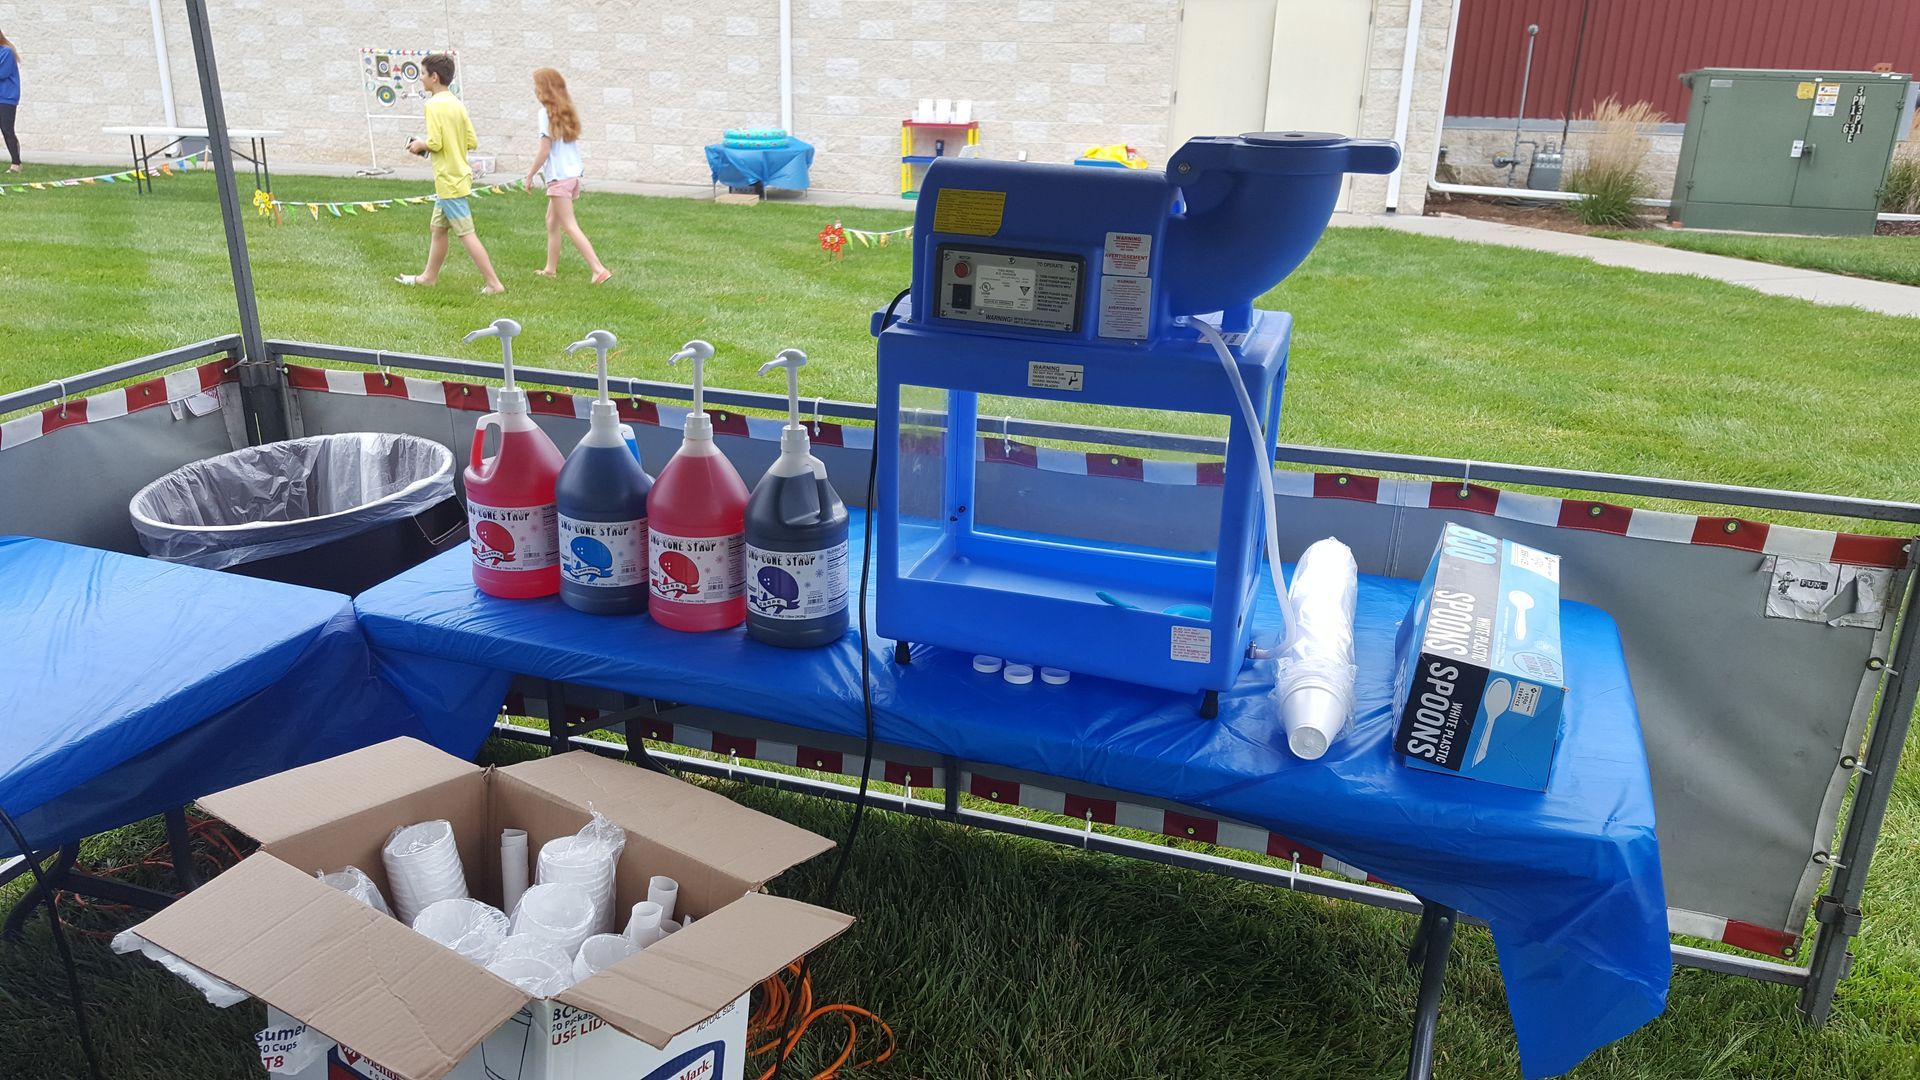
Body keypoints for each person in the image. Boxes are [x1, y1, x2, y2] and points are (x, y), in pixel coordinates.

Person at [395, 52, 504, 294]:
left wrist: (420, 145)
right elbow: (471, 140)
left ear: (434, 77)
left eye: (423, 74)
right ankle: (428, 277)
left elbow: (435, 142)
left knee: (466, 233)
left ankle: (494, 284)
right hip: (459, 175)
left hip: (448, 181)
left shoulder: (432, 105)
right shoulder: (457, 103)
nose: (421, 79)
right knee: (438, 228)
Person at [524, 68, 611, 284]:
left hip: (559, 178)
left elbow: (544, 150)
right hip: (572, 176)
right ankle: (550, 269)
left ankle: (598, 269)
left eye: (537, 86)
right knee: (552, 221)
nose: (535, 90)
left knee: (570, 225)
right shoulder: (566, 111)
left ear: (545, 89)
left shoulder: (545, 113)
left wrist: (529, 175)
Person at [0, 28, 21, 173]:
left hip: (6, 97)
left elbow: (3, 73)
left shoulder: (6, 52)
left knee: (7, 130)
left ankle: (16, 164)